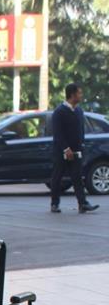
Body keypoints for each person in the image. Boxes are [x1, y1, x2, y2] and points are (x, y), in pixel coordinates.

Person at [50, 83, 99, 214]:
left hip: (77, 151)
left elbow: (80, 130)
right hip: (62, 152)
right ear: (72, 95)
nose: (81, 95)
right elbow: (58, 133)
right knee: (57, 177)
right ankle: (54, 204)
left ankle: (83, 204)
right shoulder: (59, 112)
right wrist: (66, 149)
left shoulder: (78, 110)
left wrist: (81, 145)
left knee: (77, 177)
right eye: (79, 93)